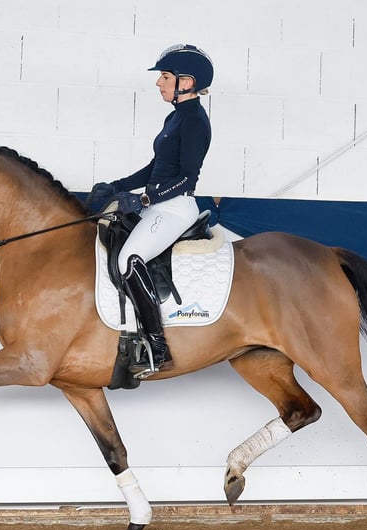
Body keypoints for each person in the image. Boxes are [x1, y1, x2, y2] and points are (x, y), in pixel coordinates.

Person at [91, 44, 213, 376]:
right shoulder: (174, 117)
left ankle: (157, 346)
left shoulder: (195, 121)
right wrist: (118, 186)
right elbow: (155, 167)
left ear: (186, 82)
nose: (159, 83)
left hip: (174, 208)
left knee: (127, 260)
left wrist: (145, 200)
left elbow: (187, 177)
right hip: (159, 204)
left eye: (164, 77)